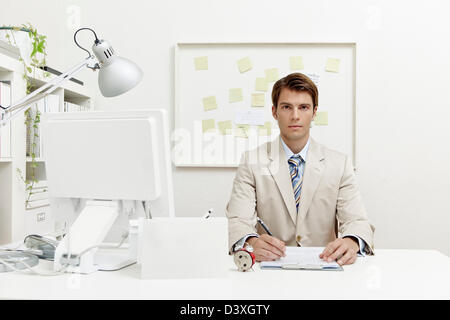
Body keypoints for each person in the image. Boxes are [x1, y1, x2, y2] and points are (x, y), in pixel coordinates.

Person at [226, 72, 375, 266]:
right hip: (268, 273)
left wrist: (352, 241)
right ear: (274, 112)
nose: (295, 116)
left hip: (325, 269)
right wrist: (251, 242)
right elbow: (237, 220)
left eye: (303, 107)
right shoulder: (251, 162)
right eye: (286, 107)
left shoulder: (339, 163)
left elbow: (358, 222)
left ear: (314, 112)